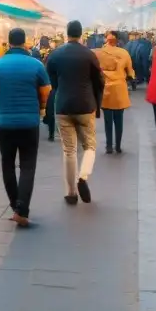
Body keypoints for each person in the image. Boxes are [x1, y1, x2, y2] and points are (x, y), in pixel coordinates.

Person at [0, 28, 51, 227]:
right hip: (30, 123)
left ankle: (15, 206)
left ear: (9, 42)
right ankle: (22, 209)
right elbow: (47, 91)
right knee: (28, 166)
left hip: (5, 124)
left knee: (8, 165)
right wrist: (42, 107)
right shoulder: (36, 64)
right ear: (25, 42)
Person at [46, 20, 104, 204]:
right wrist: (97, 103)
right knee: (90, 146)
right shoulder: (89, 55)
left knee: (69, 150)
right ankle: (83, 176)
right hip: (86, 106)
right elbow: (99, 81)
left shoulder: (55, 55)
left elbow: (52, 81)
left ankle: (70, 193)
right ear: (81, 35)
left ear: (66, 33)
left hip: (63, 106)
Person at [94, 31, 135, 154]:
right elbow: (130, 72)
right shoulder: (124, 53)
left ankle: (108, 146)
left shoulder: (98, 53)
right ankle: (118, 145)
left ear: (106, 40)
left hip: (105, 89)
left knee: (107, 120)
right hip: (119, 89)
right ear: (117, 40)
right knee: (119, 119)